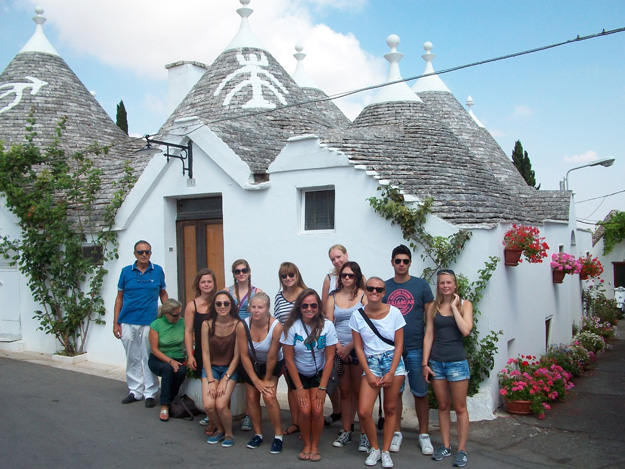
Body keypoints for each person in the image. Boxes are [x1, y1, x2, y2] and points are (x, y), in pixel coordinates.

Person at [383, 244, 434, 454]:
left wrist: (426, 353)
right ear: (392, 262)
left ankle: (424, 435)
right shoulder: (384, 287)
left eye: (405, 261)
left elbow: (429, 321)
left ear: (410, 263)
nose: (401, 264)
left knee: (420, 393)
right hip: (392, 349)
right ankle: (396, 433)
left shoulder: (421, 286)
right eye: (398, 261)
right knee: (394, 394)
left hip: (415, 347)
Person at [351, 277, 407, 469]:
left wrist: (391, 372)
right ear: (365, 291)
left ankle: (385, 451)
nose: (374, 292)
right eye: (371, 288)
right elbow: (358, 348)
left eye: (379, 289)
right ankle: (374, 448)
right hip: (371, 363)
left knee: (391, 408)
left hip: (393, 362)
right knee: (365, 410)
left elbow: (399, 344)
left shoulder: (395, 313)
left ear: (384, 292)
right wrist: (368, 372)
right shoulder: (357, 316)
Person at [280, 289, 338, 463]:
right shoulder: (292, 327)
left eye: (313, 305)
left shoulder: (327, 326)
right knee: (305, 412)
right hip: (298, 375)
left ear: (319, 307)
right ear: (299, 307)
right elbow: (288, 360)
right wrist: (298, 389)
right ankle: (306, 444)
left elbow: (329, 359)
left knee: (318, 410)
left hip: (318, 374)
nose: (309, 309)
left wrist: (322, 388)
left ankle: (315, 446)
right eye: (305, 305)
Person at [423, 270, 473, 468]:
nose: (445, 286)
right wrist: (425, 363)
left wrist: (453, 307)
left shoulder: (464, 305)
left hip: (457, 363)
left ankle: (461, 449)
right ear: (438, 285)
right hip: (437, 363)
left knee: (460, 408)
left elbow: (466, 330)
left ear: (455, 285)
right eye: (442, 283)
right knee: (443, 406)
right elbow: (429, 335)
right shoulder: (433, 307)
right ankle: (445, 445)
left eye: (449, 283)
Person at [113, 240, 168, 407]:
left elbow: (163, 294)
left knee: (148, 356)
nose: (144, 255)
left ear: (150, 253)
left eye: (147, 252)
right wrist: (116, 323)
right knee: (132, 357)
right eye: (140, 252)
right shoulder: (125, 272)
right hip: (128, 321)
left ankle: (150, 392)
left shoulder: (157, 271)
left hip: (150, 322)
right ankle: (135, 391)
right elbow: (119, 298)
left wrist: (167, 316)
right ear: (135, 254)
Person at [325, 261, 367, 449]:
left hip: (359, 350)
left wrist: (350, 347)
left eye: (351, 275)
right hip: (339, 351)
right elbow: (328, 324)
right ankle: (347, 430)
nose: (347, 278)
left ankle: (365, 433)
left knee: (360, 393)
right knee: (345, 392)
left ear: (357, 277)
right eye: (344, 275)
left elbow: (368, 326)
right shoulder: (332, 297)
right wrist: (339, 348)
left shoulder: (364, 296)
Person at [236, 292, 285, 454]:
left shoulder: (276, 327)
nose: (256, 311)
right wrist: (256, 381)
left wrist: (265, 380)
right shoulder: (242, 325)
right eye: (254, 307)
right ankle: (258, 434)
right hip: (251, 363)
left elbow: (272, 356)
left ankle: (278, 436)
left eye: (260, 307)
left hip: (272, 364)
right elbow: (243, 355)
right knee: (251, 397)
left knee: (269, 396)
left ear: (267, 309)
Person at [226, 259, 263, 432]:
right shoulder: (226, 292)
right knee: (225, 373)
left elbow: (261, 315)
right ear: (233, 273)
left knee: (250, 377)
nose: (241, 274)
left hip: (248, 338)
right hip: (229, 337)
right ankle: (221, 411)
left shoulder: (257, 292)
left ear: (249, 272)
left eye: (244, 270)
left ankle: (249, 414)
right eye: (237, 271)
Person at [202, 291, 241, 448]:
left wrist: (225, 380)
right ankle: (219, 429)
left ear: (231, 305)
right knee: (209, 405)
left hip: (229, 369)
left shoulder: (237, 325)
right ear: (214, 306)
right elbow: (205, 354)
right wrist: (211, 380)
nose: (222, 306)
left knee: (220, 404)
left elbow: (237, 356)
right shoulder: (207, 324)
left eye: (226, 303)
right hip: (211, 368)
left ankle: (229, 433)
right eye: (218, 303)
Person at [274, 262, 308, 437]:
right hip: (286, 348)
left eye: (290, 275)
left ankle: (306, 425)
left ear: (297, 274)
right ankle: (296, 423)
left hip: (304, 347)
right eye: (284, 276)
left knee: (304, 388)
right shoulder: (279, 297)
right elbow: (277, 322)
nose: (288, 278)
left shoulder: (305, 294)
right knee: (291, 387)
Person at [183, 268, 218, 428]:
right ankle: (212, 417)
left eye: (209, 281)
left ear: (214, 284)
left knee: (220, 386)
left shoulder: (220, 302)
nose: (206, 284)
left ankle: (217, 417)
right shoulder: (192, 306)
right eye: (203, 281)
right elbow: (188, 331)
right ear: (198, 284)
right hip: (201, 352)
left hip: (220, 350)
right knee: (209, 386)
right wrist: (190, 355)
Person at [320, 244, 349, 427]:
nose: (337, 261)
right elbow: (324, 308)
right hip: (333, 338)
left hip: (353, 340)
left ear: (346, 255)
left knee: (350, 384)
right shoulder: (329, 278)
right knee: (332, 379)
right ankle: (338, 411)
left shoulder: (357, 276)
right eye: (333, 259)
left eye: (339, 256)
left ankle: (352, 419)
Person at [148, 299, 186, 422]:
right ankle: (165, 404)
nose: (178, 317)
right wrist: (170, 361)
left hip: (177, 356)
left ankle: (170, 397)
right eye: (175, 315)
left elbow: (190, 339)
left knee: (181, 372)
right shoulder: (156, 325)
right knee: (168, 369)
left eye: (180, 313)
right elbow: (154, 349)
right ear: (166, 314)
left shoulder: (182, 323)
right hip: (159, 358)